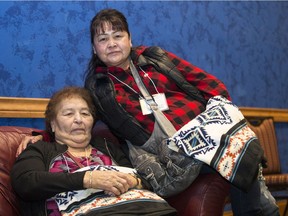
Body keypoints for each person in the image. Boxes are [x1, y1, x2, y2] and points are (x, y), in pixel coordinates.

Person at [17, 8, 279, 216]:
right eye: (103, 39)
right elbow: (80, 121)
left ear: (129, 39)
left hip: (203, 130)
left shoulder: (156, 58)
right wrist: (44, 135)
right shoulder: (98, 88)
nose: (112, 43)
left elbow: (211, 85)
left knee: (243, 161)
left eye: (117, 35)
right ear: (95, 48)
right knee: (242, 166)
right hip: (171, 155)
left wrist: (222, 122)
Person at [11, 86, 177, 216]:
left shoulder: (107, 147)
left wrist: (134, 181)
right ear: (53, 124)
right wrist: (88, 178)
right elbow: (26, 183)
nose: (78, 119)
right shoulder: (40, 149)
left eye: (85, 113)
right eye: (68, 114)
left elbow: (142, 178)